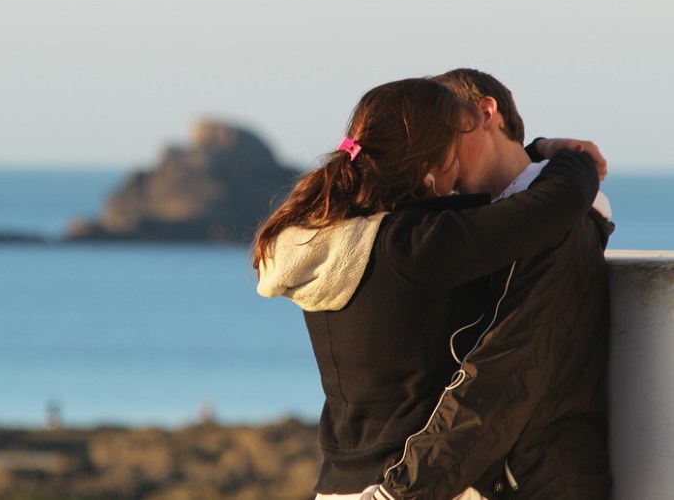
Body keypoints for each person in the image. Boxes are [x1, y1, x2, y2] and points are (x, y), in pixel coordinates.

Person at [253, 77, 603, 499]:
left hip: (337, 486)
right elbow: (555, 203)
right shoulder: (414, 246)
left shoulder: (335, 238)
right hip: (398, 483)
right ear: (429, 162)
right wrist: (566, 156)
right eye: (453, 146)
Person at [370, 69, 614, 499]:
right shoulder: (477, 226)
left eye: (442, 135)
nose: (433, 159)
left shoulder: (559, 227)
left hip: (534, 482)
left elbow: (505, 377)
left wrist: (401, 493)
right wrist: (542, 148)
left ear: (486, 113)